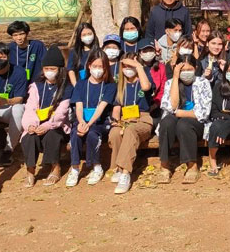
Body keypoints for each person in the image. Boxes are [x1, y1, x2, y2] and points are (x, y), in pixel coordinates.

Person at [20, 46, 71, 187]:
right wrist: (31, 125)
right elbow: (29, 108)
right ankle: (30, 171)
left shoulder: (66, 87)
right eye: (46, 68)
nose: (49, 72)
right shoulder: (36, 86)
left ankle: (55, 167)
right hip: (37, 124)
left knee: (52, 135)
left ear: (60, 69)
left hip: (57, 126)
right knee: (29, 136)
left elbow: (62, 113)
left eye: (53, 69)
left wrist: (47, 125)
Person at [157, 55, 212, 184]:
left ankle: (192, 166)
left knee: (184, 124)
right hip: (177, 117)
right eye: (182, 70)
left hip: (196, 122)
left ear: (196, 68)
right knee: (166, 123)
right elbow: (171, 106)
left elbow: (203, 113)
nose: (186, 73)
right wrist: (175, 78)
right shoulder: (170, 83)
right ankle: (164, 166)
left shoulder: (203, 83)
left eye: (189, 69)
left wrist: (179, 113)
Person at [66, 51, 116, 187]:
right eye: (95, 66)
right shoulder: (81, 85)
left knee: (92, 134)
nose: (98, 70)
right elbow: (78, 105)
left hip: (100, 122)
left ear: (106, 68)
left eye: (101, 67)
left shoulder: (110, 86)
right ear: (89, 66)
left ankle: (97, 166)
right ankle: (75, 168)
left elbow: (101, 107)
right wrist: (82, 121)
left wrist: (89, 124)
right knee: (76, 134)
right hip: (82, 120)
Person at [108, 53, 155, 194]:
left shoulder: (144, 79)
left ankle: (125, 173)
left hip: (142, 119)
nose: (128, 69)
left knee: (130, 131)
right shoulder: (120, 86)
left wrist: (138, 66)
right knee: (115, 133)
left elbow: (147, 87)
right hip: (125, 119)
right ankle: (117, 167)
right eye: (126, 66)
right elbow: (116, 108)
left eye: (131, 66)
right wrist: (117, 121)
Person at [0, 41, 28, 166]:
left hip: (8, 108)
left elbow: (19, 98)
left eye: (2, 57)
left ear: (8, 57)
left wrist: (6, 101)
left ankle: (8, 149)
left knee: (19, 109)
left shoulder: (19, 72)